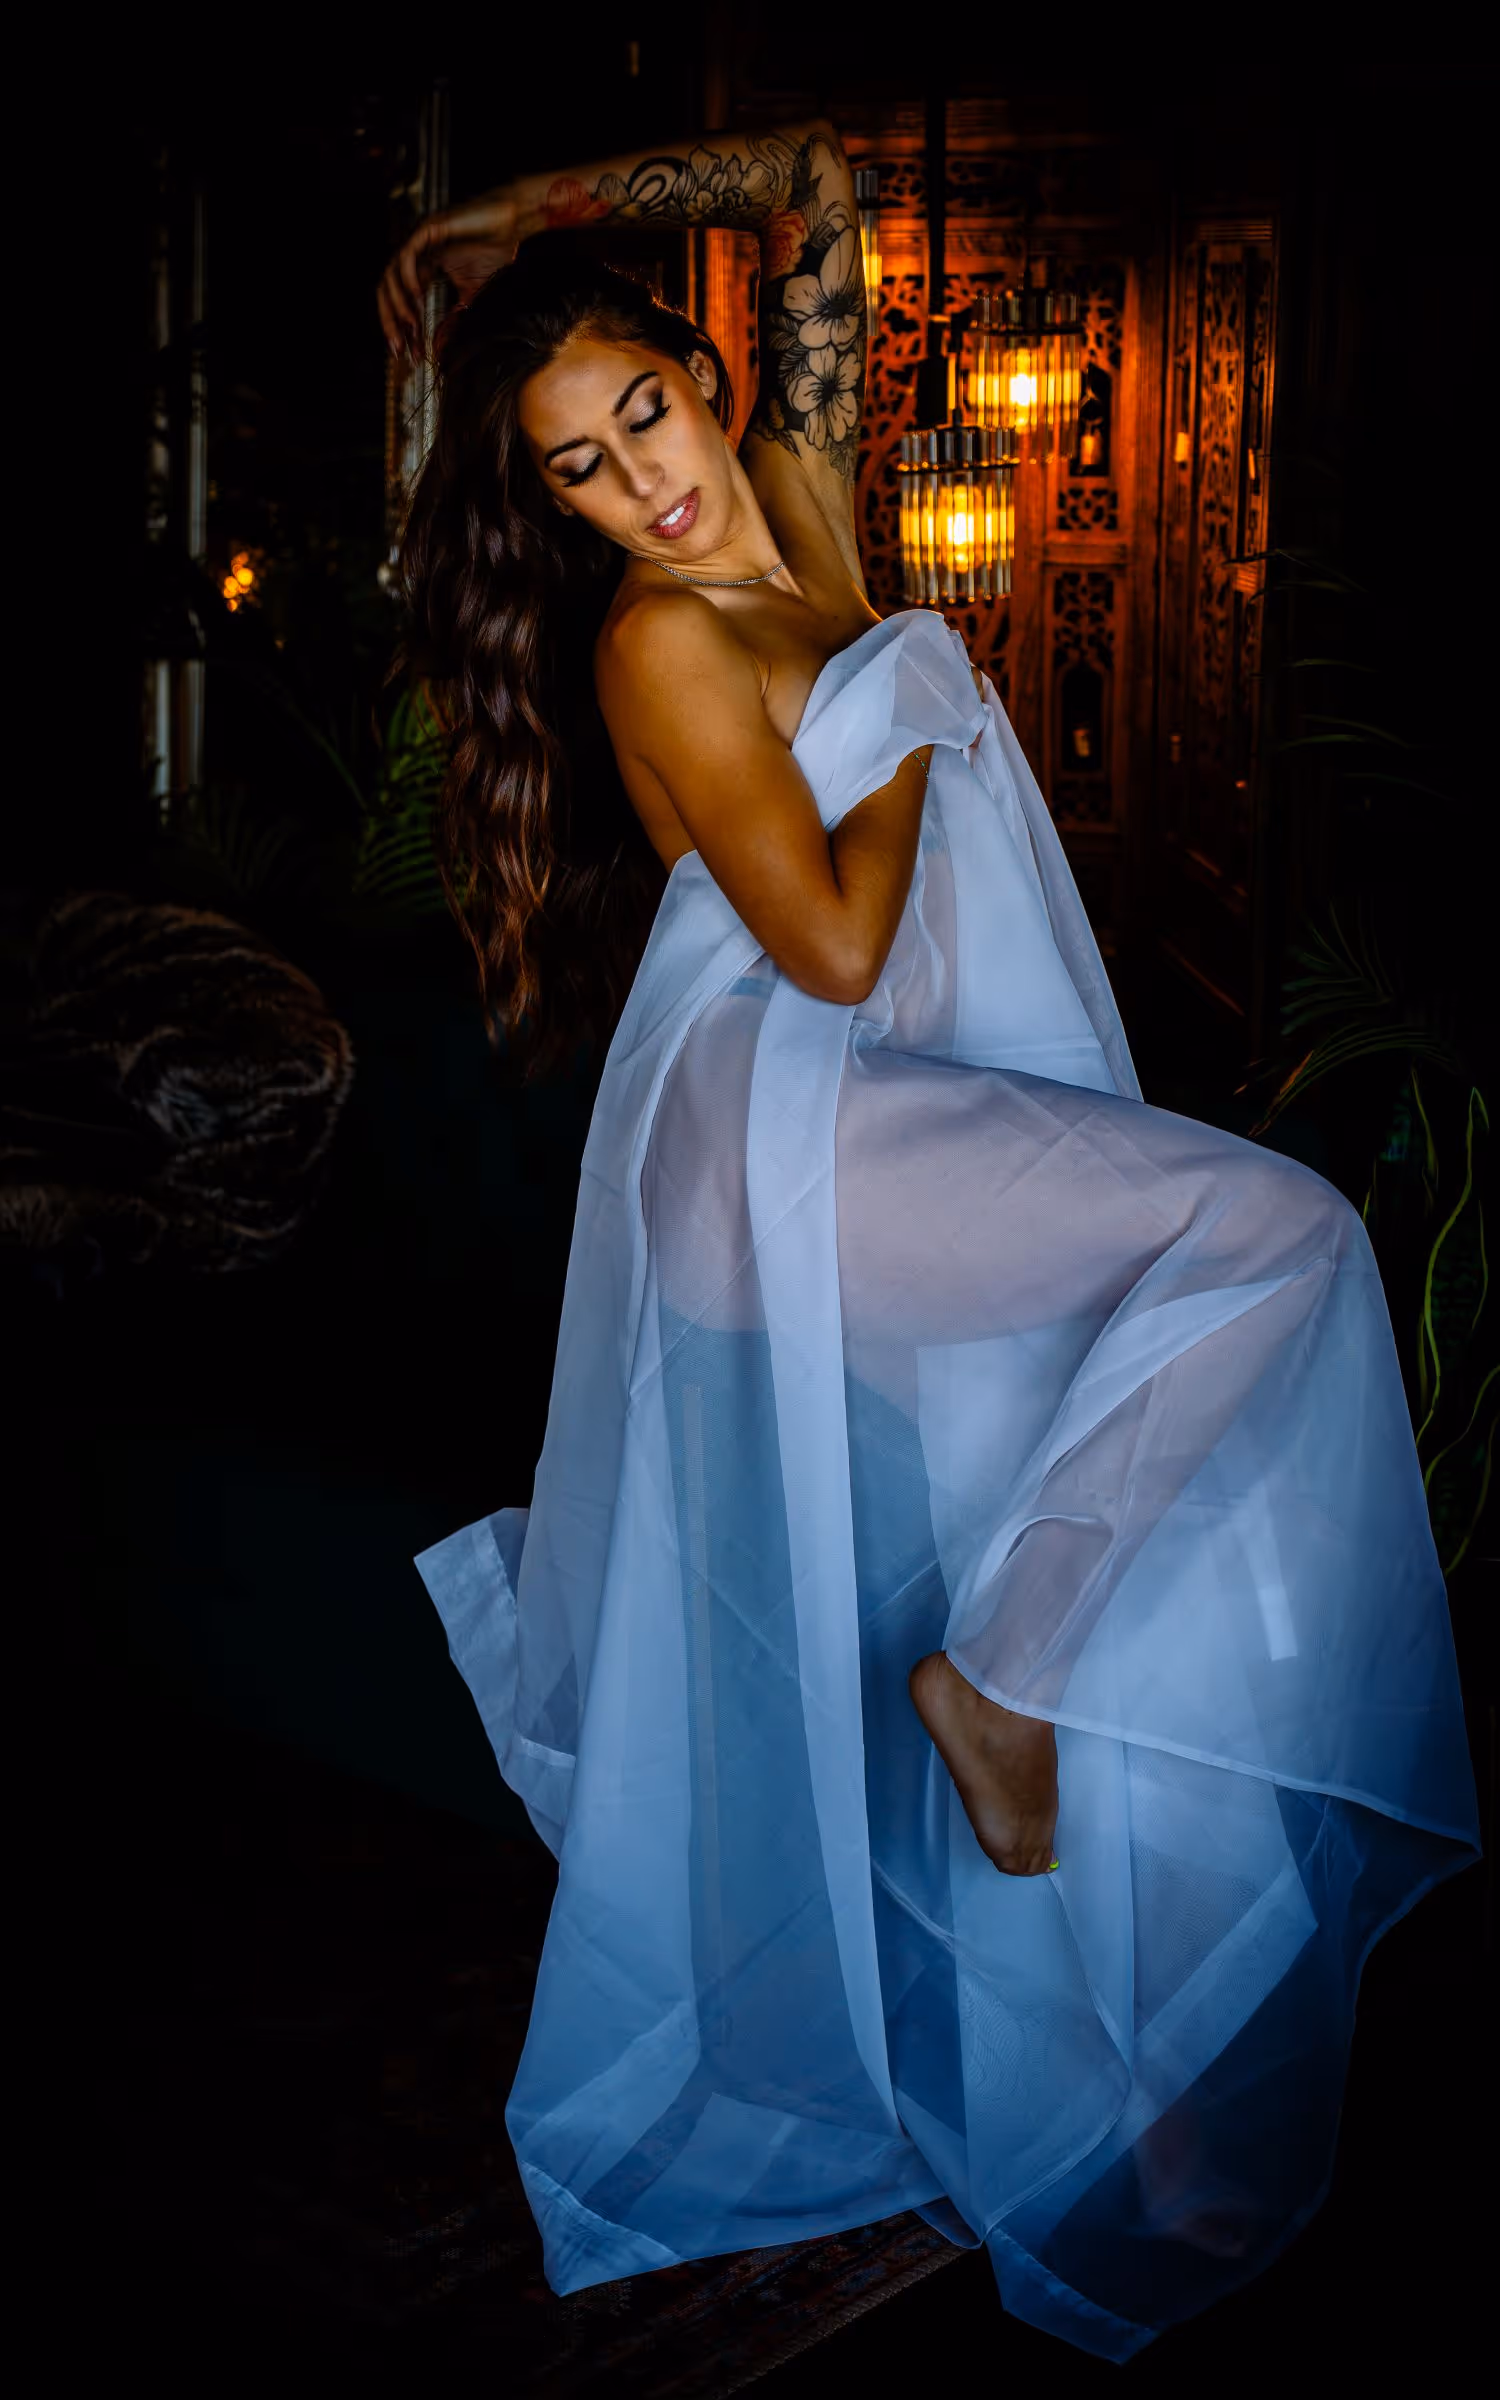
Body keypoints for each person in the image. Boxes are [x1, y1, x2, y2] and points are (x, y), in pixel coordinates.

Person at [379, 118, 1479, 2362]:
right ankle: (993, 1689)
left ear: (700, 375)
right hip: (783, 1144)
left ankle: (1128, 2110)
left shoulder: (792, 508)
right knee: (1276, 1252)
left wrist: (516, 222)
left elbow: (816, 188)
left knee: (1106, 1494)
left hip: (875, 1139)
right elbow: (838, 950)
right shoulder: (664, 642)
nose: (637, 484)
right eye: (577, 472)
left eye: (643, 414)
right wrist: (893, 745)